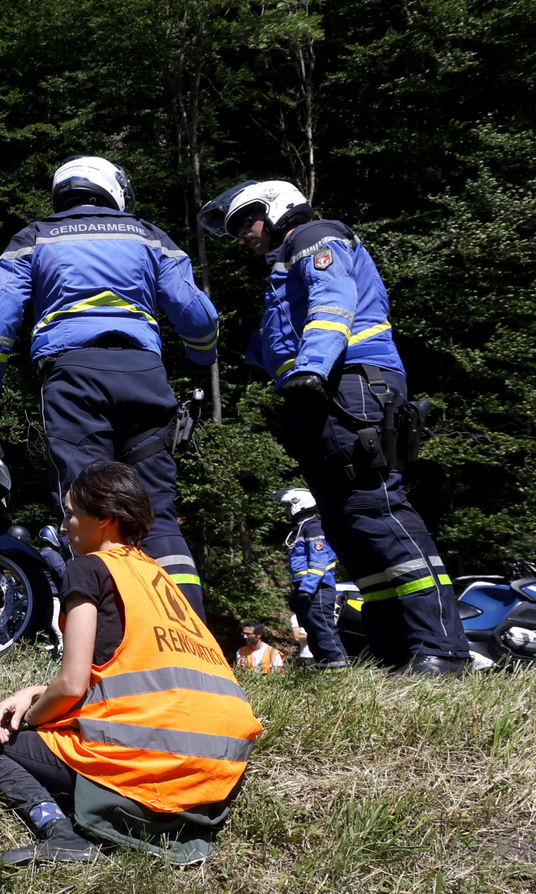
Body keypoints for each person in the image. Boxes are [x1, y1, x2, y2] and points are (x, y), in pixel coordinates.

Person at [201, 179, 472, 675]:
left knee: (377, 508)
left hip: (349, 383)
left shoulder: (314, 236)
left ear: (277, 210)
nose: (242, 234)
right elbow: (281, 343)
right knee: (350, 525)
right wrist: (243, 341)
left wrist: (313, 366)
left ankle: (442, 649)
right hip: (323, 392)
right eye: (236, 226)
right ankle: (397, 652)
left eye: (247, 220)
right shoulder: (285, 269)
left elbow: (333, 301)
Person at [0, 461, 261, 866]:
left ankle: (61, 835)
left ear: (104, 518)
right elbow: (129, 668)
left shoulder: (87, 569)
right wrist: (35, 691)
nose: (67, 524)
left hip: (161, 761)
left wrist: (27, 720)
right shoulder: (157, 576)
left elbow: (73, 685)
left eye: (72, 512)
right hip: (222, 768)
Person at [0, 156, 220, 614]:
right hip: (144, 376)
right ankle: (188, 631)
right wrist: (203, 356)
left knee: (88, 504)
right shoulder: (148, 235)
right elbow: (197, 315)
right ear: (114, 189)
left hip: (74, 377)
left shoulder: (34, 237)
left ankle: (105, 634)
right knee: (157, 507)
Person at [280, 487, 346, 669]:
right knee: (311, 628)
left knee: (322, 626)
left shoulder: (314, 527)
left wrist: (307, 588)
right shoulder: (301, 529)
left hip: (318, 587)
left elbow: (319, 560)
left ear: (298, 504)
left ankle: (338, 665)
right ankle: (323, 665)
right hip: (305, 588)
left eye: (287, 507)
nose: (286, 511)